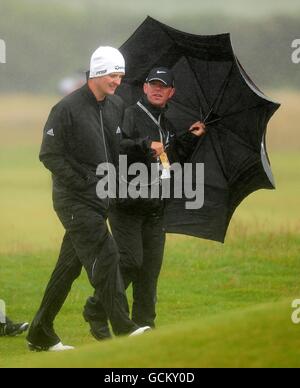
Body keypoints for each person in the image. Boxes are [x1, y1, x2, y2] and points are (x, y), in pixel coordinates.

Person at [26, 46, 151, 352]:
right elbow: (49, 155)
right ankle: (124, 328)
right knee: (107, 255)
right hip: (74, 201)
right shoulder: (66, 108)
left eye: (120, 75)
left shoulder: (114, 106)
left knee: (68, 268)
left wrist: (144, 149)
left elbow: (116, 147)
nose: (117, 81)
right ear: (96, 73)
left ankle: (40, 332)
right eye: (112, 74)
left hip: (100, 199)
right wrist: (84, 182)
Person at [84, 67, 206, 336]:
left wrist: (190, 138)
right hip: (126, 204)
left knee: (150, 270)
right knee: (129, 261)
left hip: (154, 208)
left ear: (171, 92)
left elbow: (170, 161)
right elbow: (117, 146)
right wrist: (144, 145)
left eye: (163, 86)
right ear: (145, 87)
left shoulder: (167, 125)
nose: (157, 89)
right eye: (153, 84)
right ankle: (96, 308)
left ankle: (145, 326)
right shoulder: (128, 114)